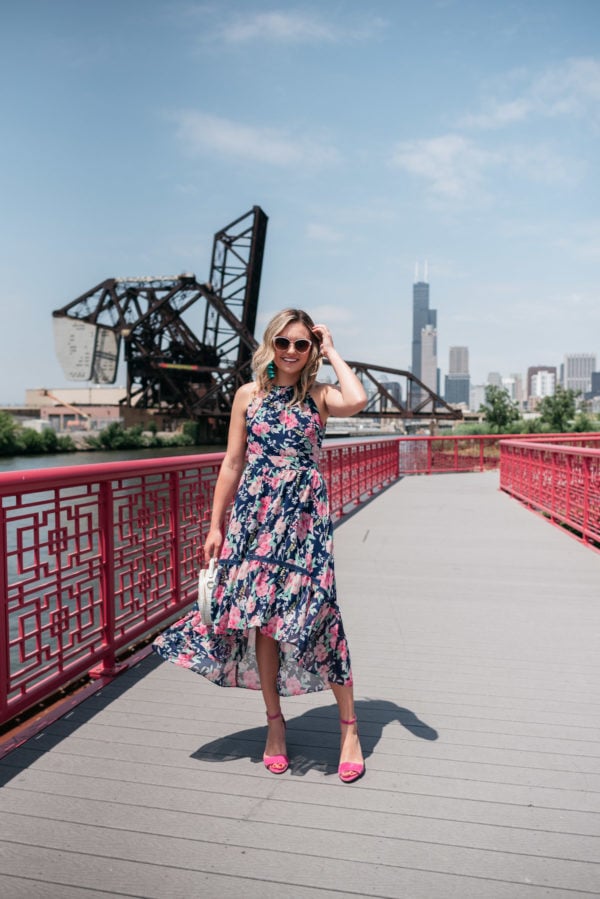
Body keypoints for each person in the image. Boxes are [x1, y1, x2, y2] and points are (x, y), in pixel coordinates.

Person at [153, 308, 367, 783]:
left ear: (310, 350)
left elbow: (358, 397)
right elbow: (232, 463)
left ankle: (349, 728)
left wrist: (331, 348)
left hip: (305, 523)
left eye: (301, 344)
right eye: (284, 343)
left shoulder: (318, 396)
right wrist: (215, 526)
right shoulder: (248, 396)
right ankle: (275, 725)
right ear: (271, 346)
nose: (291, 351)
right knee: (261, 621)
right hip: (254, 521)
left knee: (321, 614)